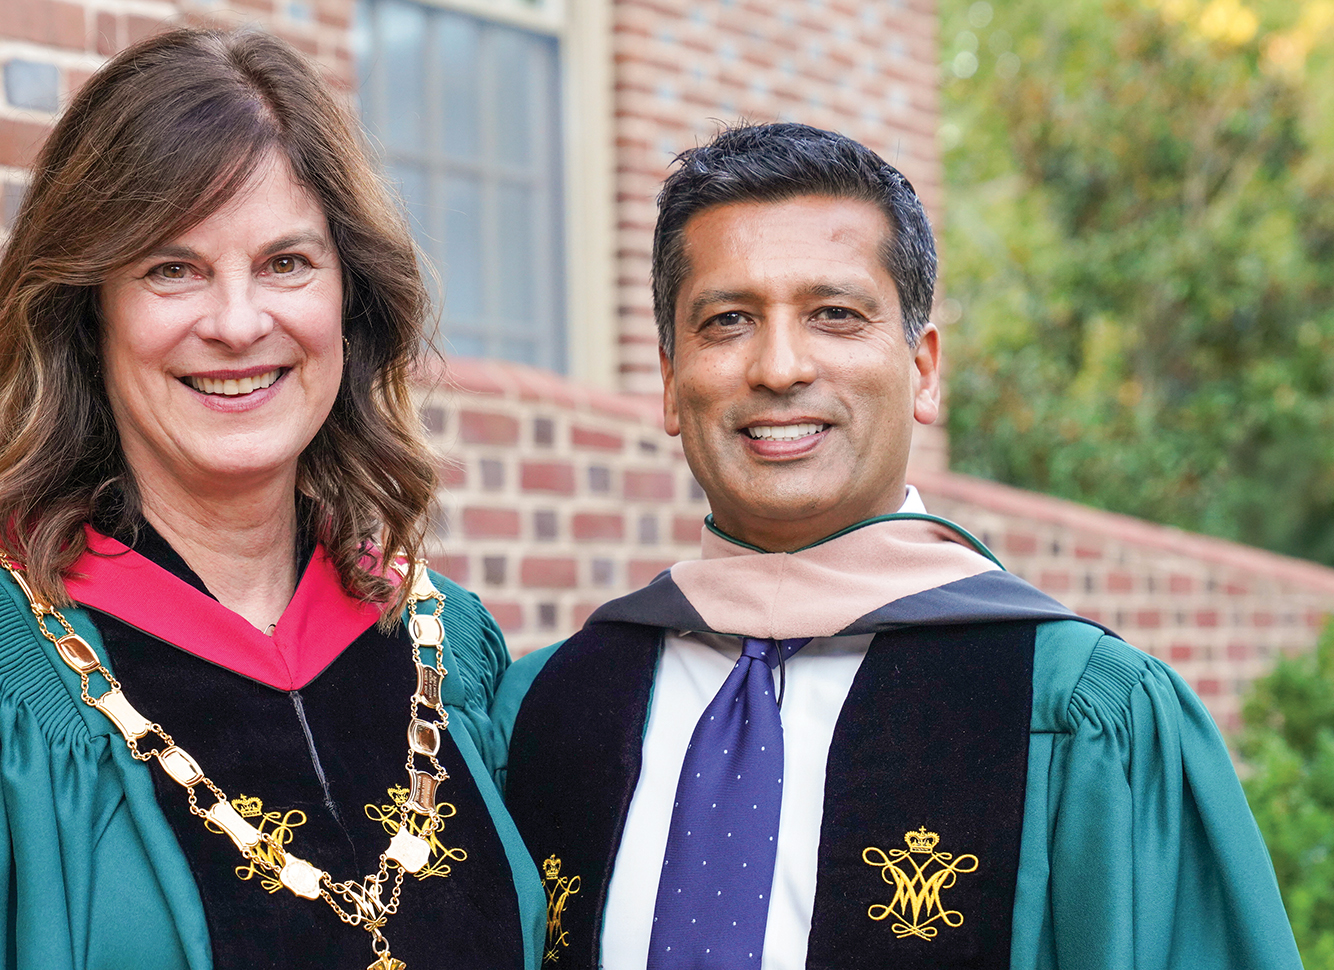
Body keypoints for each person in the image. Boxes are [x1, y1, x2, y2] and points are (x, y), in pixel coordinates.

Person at [0, 29, 544, 970]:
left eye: (287, 263)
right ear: (89, 312)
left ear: (350, 303)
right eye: (172, 268)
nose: (239, 323)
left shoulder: (446, 648)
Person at [497, 123, 1300, 970]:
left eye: (834, 315)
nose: (778, 367)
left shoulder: (1080, 710)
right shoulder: (545, 706)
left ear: (923, 370)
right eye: (728, 320)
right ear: (669, 380)